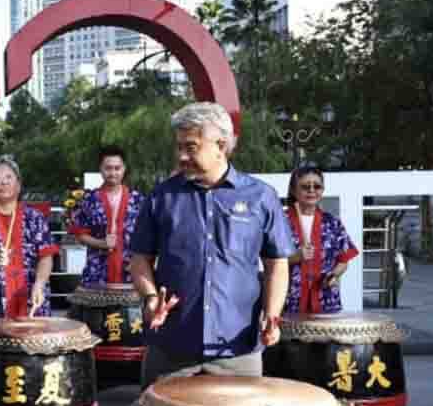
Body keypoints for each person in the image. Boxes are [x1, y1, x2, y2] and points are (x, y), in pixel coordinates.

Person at [128, 102, 294, 389]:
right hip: (171, 345)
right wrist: (151, 298)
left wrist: (273, 313)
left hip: (237, 348)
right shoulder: (161, 197)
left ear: (221, 145)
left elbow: (276, 264)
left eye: (191, 147)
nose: (181, 156)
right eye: (178, 146)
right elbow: (140, 258)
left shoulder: (260, 197)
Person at [0, 156, 59, 322]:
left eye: (8, 177)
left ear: (19, 186)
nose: (3, 182)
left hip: (31, 299)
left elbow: (46, 256)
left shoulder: (35, 218)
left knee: (34, 345)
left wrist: (40, 284)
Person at [283, 164, 360, 313]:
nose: (312, 190)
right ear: (293, 190)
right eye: (305, 186)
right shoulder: (280, 221)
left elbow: (343, 260)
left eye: (317, 186)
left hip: (325, 300)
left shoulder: (332, 222)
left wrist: (333, 275)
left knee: (324, 336)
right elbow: (269, 260)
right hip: (289, 301)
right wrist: (295, 257)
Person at [67, 145, 145, 285]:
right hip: (97, 272)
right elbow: (80, 234)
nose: (113, 173)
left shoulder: (138, 200)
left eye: (117, 168)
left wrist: (141, 261)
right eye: (108, 168)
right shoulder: (88, 200)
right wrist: (102, 243)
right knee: (95, 306)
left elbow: (147, 234)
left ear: (124, 169)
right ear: (100, 169)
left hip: (130, 271)